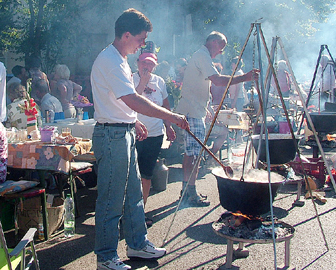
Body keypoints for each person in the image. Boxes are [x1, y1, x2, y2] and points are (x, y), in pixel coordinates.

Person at [91, 8, 188, 270]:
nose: (143, 44)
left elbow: (117, 100)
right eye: (140, 38)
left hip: (122, 132)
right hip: (111, 136)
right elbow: (132, 98)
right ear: (126, 34)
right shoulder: (110, 60)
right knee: (111, 200)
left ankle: (136, 243)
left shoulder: (120, 58)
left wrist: (133, 120)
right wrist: (172, 115)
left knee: (134, 192)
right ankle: (106, 257)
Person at [175, 31, 259, 207]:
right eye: (222, 46)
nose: (222, 51)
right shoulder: (202, 55)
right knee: (193, 155)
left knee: (192, 154)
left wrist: (206, 108)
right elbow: (218, 80)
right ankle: (189, 193)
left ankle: (187, 190)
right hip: (192, 112)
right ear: (213, 42)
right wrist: (245, 77)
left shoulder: (202, 56)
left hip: (195, 110)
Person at [132, 42, 176, 227]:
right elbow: (131, 101)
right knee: (130, 175)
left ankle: (140, 212)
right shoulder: (131, 78)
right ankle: (128, 213)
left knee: (146, 174)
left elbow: (165, 106)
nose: (146, 67)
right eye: (143, 63)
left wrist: (169, 125)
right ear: (138, 63)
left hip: (155, 134)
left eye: (150, 64)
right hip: (135, 133)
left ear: (155, 65)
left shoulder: (159, 82)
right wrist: (142, 81)